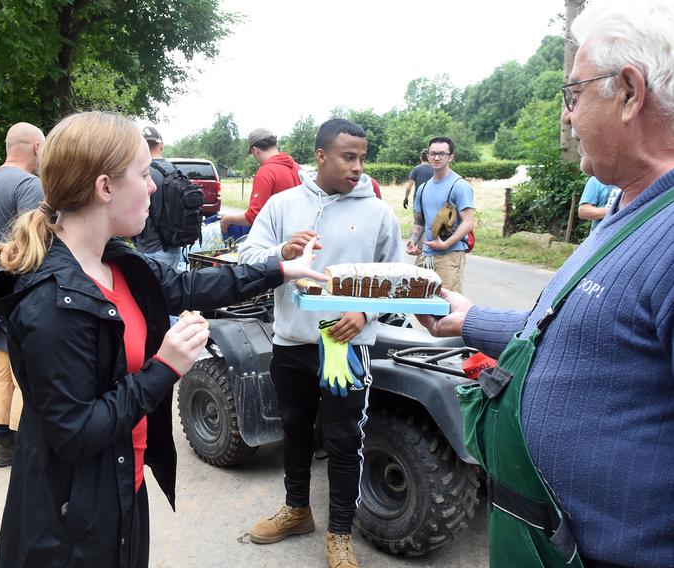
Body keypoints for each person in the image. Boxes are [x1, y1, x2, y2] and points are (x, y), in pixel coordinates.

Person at [0, 111, 325, 568]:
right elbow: (76, 433)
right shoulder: (51, 304)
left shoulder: (116, 260)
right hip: (72, 517)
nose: (154, 186)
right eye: (143, 174)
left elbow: (189, 287)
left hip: (124, 482)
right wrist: (164, 369)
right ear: (105, 187)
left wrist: (279, 269)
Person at [418, 2, 674, 566]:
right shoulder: (629, 207)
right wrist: (468, 319)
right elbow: (584, 335)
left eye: (573, 95)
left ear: (629, 92)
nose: (566, 117)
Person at [238, 118, 402, 568]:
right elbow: (248, 258)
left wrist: (365, 312)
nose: (358, 167)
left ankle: (340, 533)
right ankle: (296, 511)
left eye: (362, 158)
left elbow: (399, 279)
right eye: (349, 157)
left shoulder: (378, 214)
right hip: (291, 342)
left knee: (344, 438)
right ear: (322, 156)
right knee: (293, 430)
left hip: (344, 347)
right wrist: (282, 254)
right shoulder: (283, 205)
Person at [0, 121, 45, 466]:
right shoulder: (29, 184)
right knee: (25, 367)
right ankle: (20, 441)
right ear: (35, 147)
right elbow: (33, 241)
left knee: (2, 363)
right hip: (17, 284)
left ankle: (0, 440)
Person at [406, 136, 475, 292]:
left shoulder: (459, 186)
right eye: (433, 153)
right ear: (428, 155)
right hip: (426, 253)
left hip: (449, 254)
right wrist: (413, 241)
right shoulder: (422, 188)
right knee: (417, 298)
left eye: (442, 154)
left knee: (448, 305)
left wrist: (446, 243)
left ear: (451, 157)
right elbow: (419, 221)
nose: (436, 157)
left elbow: (468, 222)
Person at [219, 128, 301, 234]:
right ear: (275, 145)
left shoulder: (266, 172)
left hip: (277, 237)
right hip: (298, 234)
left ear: (255, 150)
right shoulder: (297, 168)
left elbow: (253, 216)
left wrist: (227, 219)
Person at [133, 125, 183, 269]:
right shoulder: (175, 170)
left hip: (149, 249)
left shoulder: (142, 172)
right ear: (161, 145)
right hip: (174, 247)